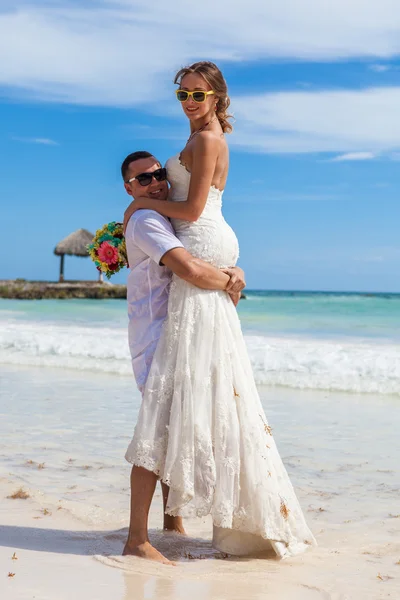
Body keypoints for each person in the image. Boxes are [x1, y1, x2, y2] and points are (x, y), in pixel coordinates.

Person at [124, 61, 316, 563]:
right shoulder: (199, 136)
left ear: (217, 97)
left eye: (198, 94)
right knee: (190, 385)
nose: (189, 101)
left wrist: (138, 209)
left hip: (200, 240)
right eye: (182, 94)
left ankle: (158, 529)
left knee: (180, 385)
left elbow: (190, 211)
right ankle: (172, 520)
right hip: (204, 247)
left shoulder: (208, 141)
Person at [122, 150, 246, 564]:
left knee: (170, 427)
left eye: (158, 174)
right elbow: (189, 269)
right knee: (156, 433)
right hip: (158, 334)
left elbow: (201, 254)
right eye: (143, 180)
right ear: (129, 188)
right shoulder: (146, 221)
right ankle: (137, 540)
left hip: (175, 329)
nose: (155, 182)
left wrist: (233, 268)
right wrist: (229, 281)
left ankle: (171, 524)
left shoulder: (161, 215)